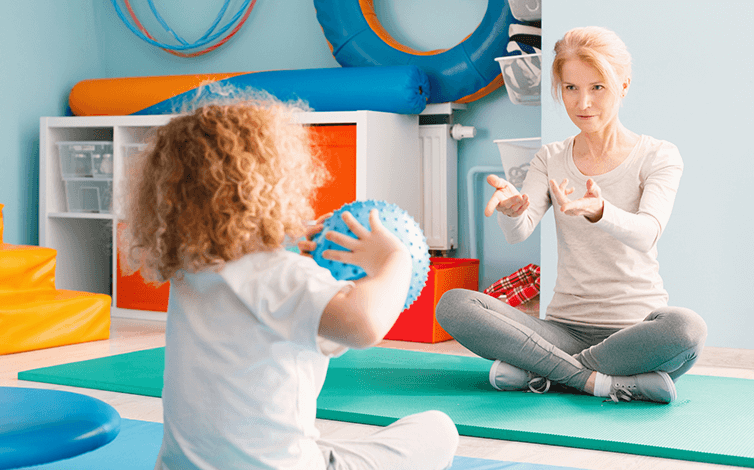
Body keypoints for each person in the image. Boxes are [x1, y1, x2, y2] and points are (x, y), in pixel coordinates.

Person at [119, 90, 459, 470]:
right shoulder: (282, 274)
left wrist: (288, 247)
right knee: (436, 430)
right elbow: (363, 324)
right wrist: (394, 259)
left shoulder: (191, 271)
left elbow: (259, 299)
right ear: (275, 185)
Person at [435, 26, 707, 404]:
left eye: (598, 87)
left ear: (623, 86)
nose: (583, 103)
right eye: (570, 88)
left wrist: (601, 212)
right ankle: (598, 382)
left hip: (636, 333)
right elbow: (518, 231)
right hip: (563, 330)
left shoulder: (658, 155)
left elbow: (647, 232)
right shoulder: (550, 157)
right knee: (454, 304)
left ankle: (543, 371)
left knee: (687, 328)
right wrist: (513, 211)